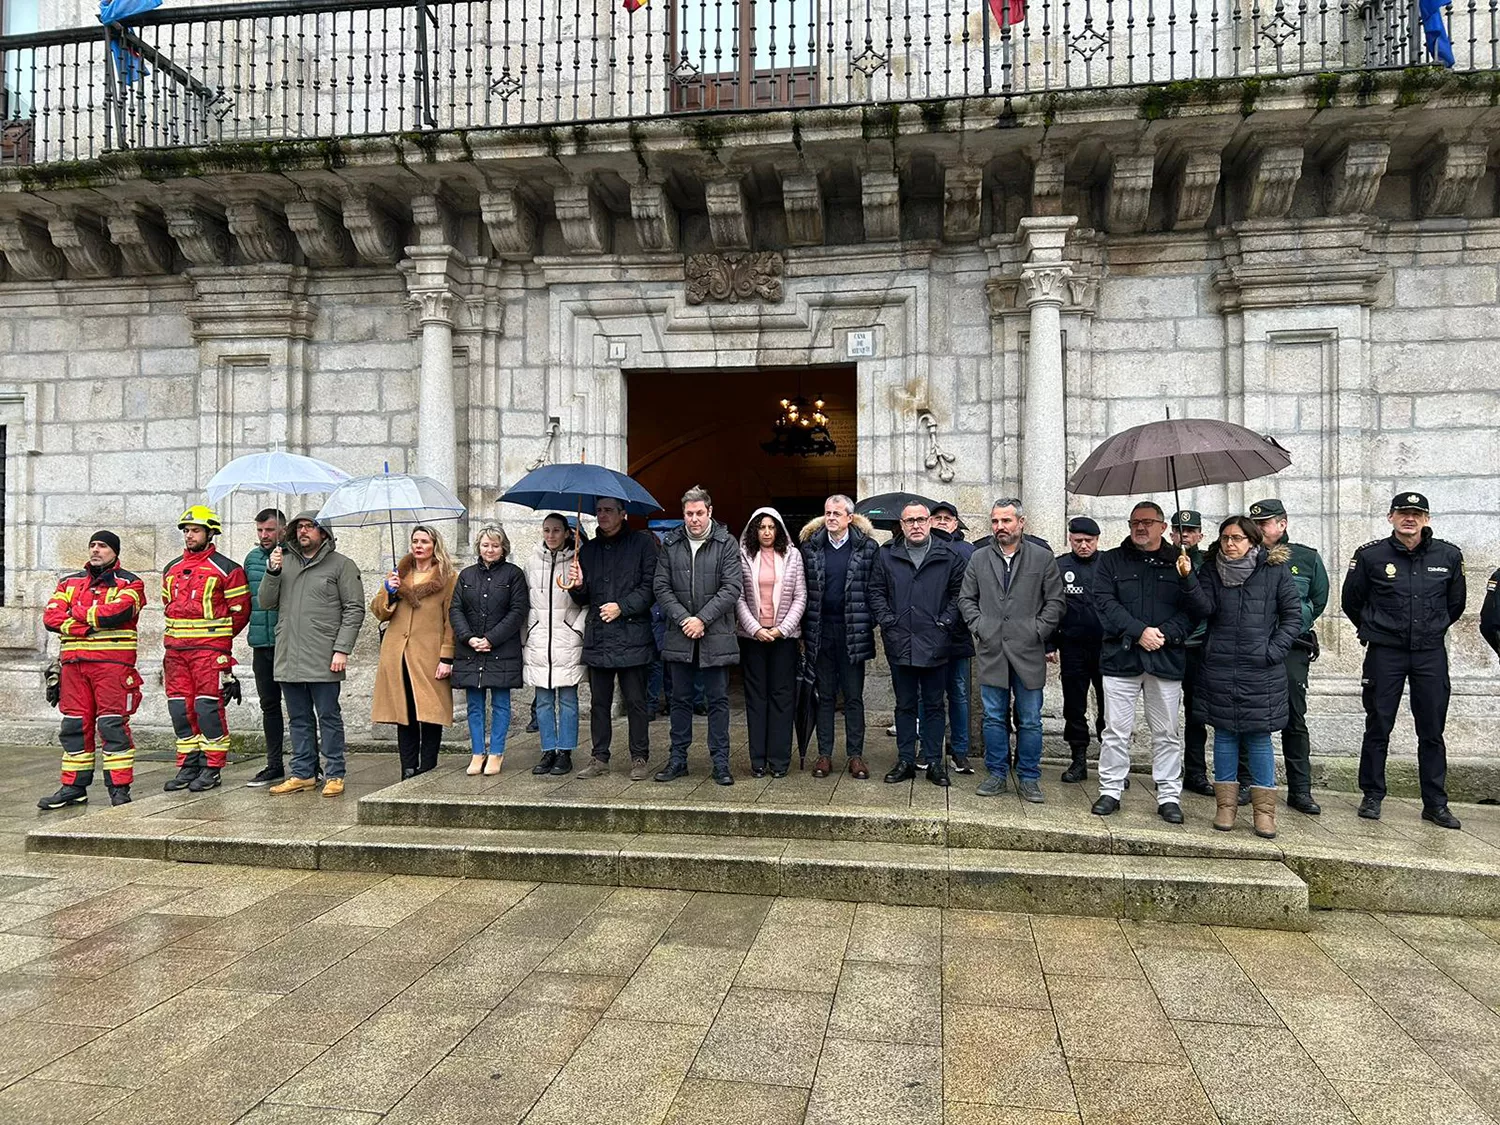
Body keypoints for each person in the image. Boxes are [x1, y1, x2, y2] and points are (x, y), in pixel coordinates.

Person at [1342, 492, 1467, 829]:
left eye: (1416, 513)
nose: (1409, 518)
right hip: (1386, 653)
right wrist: (1379, 629)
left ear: (1426, 519)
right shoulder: (1370, 556)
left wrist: (1429, 630)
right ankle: (1371, 794)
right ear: (1390, 517)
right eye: (1403, 513)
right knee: (1379, 723)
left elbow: (1455, 605)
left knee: (1431, 730)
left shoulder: (1449, 555)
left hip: (1429, 654)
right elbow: (1352, 601)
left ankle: (1435, 804)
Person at [1180, 516, 1301, 839]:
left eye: (1237, 538)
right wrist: (1189, 578)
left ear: (1253, 541)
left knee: (1259, 736)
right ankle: (1226, 807)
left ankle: (1264, 812)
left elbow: (1293, 615)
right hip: (1219, 664)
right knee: (1225, 734)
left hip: (1260, 666)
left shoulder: (1274, 572)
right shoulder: (1211, 570)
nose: (1230, 544)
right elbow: (1203, 610)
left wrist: (1273, 650)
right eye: (1225, 538)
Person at [1090, 501, 1200, 823]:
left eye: (1148, 522)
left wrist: (1165, 634)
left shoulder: (1180, 562)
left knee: (1166, 732)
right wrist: (1139, 632)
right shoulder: (1111, 561)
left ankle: (1168, 794)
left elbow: (1195, 610)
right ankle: (1110, 789)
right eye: (1135, 522)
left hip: (1165, 658)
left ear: (1163, 527)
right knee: (1115, 730)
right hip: (1121, 658)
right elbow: (1104, 602)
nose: (1140, 527)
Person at [958, 498, 1065, 801]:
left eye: (1006, 521)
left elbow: (1055, 602)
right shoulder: (978, 558)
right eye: (995, 521)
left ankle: (1029, 776)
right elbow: (966, 599)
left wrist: (1037, 631)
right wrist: (981, 627)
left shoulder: (1042, 558)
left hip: (1029, 650)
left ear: (1021, 522)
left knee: (1030, 717)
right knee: (993, 716)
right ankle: (996, 773)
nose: (999, 527)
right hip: (992, 650)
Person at [38, 531, 146, 810]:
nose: (96, 550)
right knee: (74, 726)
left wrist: (75, 613)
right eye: (93, 545)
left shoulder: (131, 583)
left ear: (115, 552)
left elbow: (118, 613)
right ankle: (74, 787)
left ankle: (119, 789)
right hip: (74, 666)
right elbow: (51, 617)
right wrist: (87, 623)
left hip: (112, 667)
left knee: (112, 726)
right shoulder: (68, 582)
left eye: (103, 546)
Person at [260, 511, 366, 796]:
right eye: (300, 527)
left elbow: (355, 609)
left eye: (310, 526)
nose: (304, 531)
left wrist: (342, 648)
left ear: (324, 532)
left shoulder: (342, 565)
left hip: (324, 653)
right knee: (298, 717)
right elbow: (266, 602)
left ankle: (334, 773)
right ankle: (303, 772)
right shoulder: (284, 561)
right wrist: (272, 571)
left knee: (328, 716)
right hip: (289, 652)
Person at [870, 501, 966, 786]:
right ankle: (905, 760)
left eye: (921, 519)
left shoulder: (948, 555)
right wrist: (888, 621)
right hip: (900, 641)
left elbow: (959, 593)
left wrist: (945, 623)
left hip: (935, 641)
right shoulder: (887, 555)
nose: (915, 525)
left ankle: (935, 762)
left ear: (929, 522)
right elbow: (875, 591)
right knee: (904, 705)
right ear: (901, 525)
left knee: (935, 705)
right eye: (909, 520)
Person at [654, 486, 743, 784]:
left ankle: (720, 763)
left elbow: (731, 587)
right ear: (683, 514)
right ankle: (678, 759)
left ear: (710, 512)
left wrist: (701, 619)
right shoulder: (670, 543)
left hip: (715, 634)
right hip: (680, 634)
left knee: (717, 701)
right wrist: (684, 619)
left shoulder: (726, 543)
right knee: (680, 700)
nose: (694, 519)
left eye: (699, 514)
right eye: (689, 514)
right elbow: (661, 587)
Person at [161, 505, 251, 794]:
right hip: (175, 653)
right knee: (180, 709)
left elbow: (240, 612)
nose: (189, 535)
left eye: (195, 530)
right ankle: (189, 764)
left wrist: (217, 642)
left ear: (210, 533)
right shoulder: (171, 569)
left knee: (207, 708)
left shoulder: (228, 569)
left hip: (209, 654)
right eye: (186, 530)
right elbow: (168, 606)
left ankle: (212, 768)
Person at [1248, 498, 1330, 815]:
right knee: (1250, 716)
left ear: (1282, 524)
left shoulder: (1306, 559)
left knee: (1294, 719)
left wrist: (1295, 622)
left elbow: (1318, 600)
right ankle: (1247, 785)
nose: (1258, 529)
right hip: (1253, 647)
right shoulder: (1241, 557)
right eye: (1254, 523)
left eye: (1264, 522)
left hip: (1292, 647)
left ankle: (1300, 790)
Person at [569, 497, 658, 779]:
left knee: (636, 701)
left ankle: (639, 757)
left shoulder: (642, 545)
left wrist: (622, 606)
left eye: (608, 510)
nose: (602, 515)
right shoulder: (588, 550)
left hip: (632, 634)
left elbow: (651, 586)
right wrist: (578, 584)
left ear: (623, 514)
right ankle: (599, 757)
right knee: (599, 703)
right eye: (598, 511)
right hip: (600, 636)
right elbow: (582, 597)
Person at [799, 495, 880, 779]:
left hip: (852, 633)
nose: (831, 517)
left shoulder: (867, 548)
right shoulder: (810, 548)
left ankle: (855, 755)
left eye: (837, 513)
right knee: (826, 697)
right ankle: (824, 754)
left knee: (854, 697)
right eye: (827, 513)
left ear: (849, 517)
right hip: (821, 632)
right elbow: (804, 590)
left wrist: (867, 622)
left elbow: (875, 590)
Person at [371, 525, 457, 779]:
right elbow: (378, 611)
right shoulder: (397, 575)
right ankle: (407, 768)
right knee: (404, 711)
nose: (418, 546)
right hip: (397, 653)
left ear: (434, 546)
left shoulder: (448, 578)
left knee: (430, 711)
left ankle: (427, 766)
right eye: (415, 541)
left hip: (429, 653)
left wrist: (447, 655)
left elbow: (450, 619)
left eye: (424, 541)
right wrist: (389, 591)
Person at [735, 507, 807, 778]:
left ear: (778, 529)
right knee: (756, 698)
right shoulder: (744, 556)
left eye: (771, 527)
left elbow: (800, 596)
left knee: (782, 698)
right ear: (754, 530)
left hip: (783, 638)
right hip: (753, 638)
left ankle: (779, 761)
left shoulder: (793, 555)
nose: (766, 532)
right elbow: (738, 597)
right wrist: (755, 629)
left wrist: (782, 629)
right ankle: (758, 761)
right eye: (761, 527)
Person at [450, 524, 528, 776]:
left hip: (501, 649)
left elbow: (518, 611)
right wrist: (468, 637)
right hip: (470, 649)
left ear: (503, 547)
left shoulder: (513, 575)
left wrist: (491, 639)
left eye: (495, 545)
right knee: (475, 704)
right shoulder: (467, 575)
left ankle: (496, 752)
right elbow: (456, 609)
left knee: (501, 704)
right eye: (485, 545)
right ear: (478, 547)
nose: (490, 550)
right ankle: (476, 753)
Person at [525, 513, 586, 776]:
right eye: (547, 530)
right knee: (544, 701)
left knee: (569, 700)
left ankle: (566, 751)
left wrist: (578, 629)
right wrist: (530, 631)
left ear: (567, 533)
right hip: (540, 640)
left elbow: (588, 602)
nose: (551, 535)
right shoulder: (531, 561)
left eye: (557, 530)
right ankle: (548, 749)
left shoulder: (577, 561)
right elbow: (525, 602)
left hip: (567, 639)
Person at [1051, 517, 1106, 783]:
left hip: (1107, 649)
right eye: (1078, 541)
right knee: (1074, 707)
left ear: (1097, 540)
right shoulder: (1060, 566)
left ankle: (1111, 764)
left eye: (1089, 541)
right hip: (1072, 647)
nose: (1084, 546)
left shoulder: (1108, 564)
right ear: (1070, 539)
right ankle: (1078, 760)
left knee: (1110, 709)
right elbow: (1050, 606)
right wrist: (1049, 643)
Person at [926, 501, 975, 774]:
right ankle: (928, 748)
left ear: (956, 523)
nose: (943, 521)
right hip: (927, 636)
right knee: (927, 696)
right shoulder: (920, 549)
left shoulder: (969, 552)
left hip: (956, 633)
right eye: (938, 517)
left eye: (948, 517)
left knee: (958, 694)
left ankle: (960, 750)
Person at [1171, 510, 1214, 797]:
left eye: (1190, 530)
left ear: (1200, 535)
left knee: (1196, 715)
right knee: (1165, 714)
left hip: (1199, 648)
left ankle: (1196, 771)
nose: (1184, 535)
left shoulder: (1209, 565)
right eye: (1179, 530)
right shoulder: (1163, 560)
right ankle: (1168, 771)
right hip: (1171, 645)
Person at [243, 508, 288, 788]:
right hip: (261, 643)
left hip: (289, 642)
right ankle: (274, 764)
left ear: (282, 529)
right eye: (260, 530)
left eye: (270, 530)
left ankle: (310, 764)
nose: (264, 536)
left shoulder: (292, 556)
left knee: (300, 707)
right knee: (269, 706)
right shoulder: (252, 558)